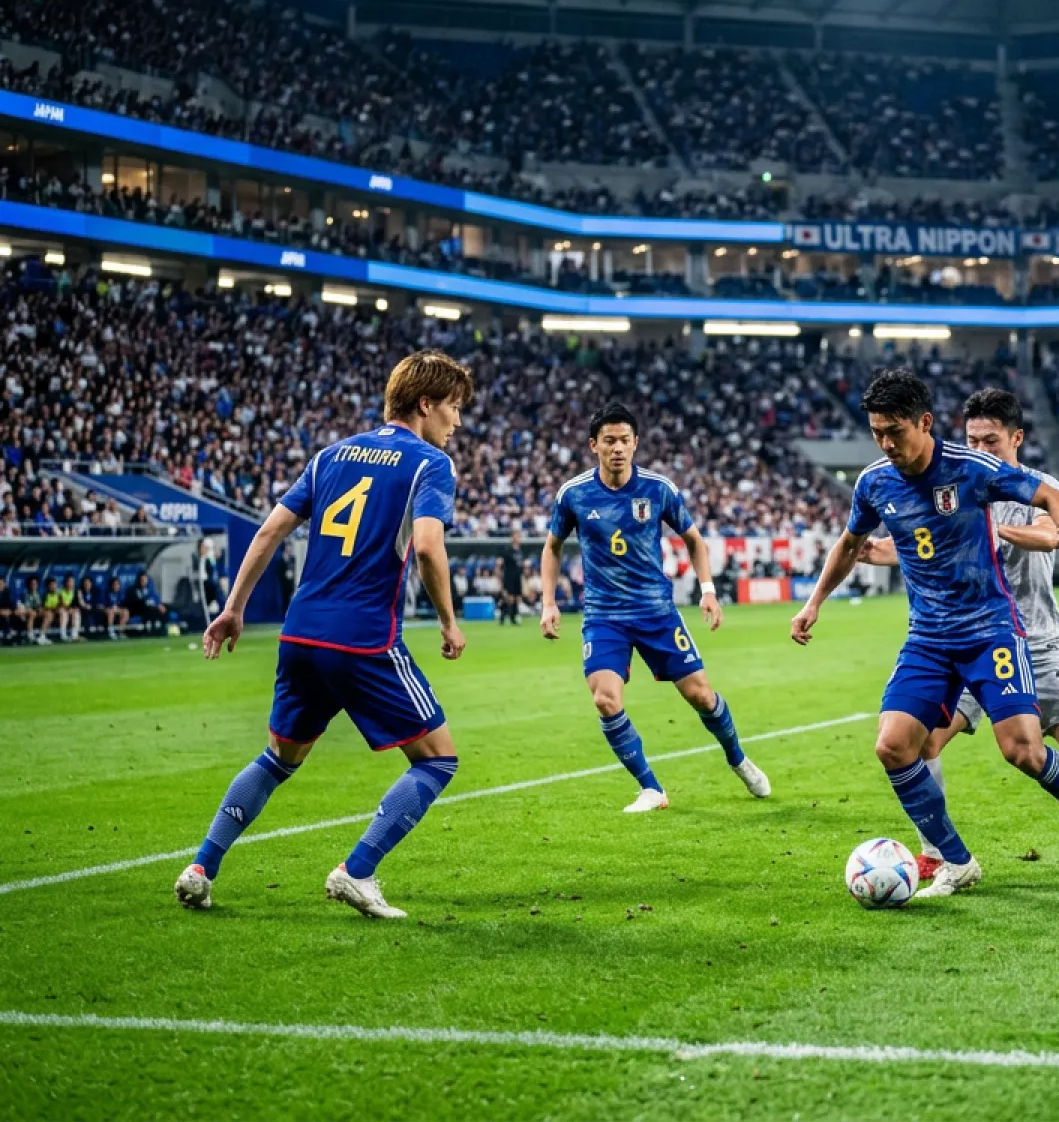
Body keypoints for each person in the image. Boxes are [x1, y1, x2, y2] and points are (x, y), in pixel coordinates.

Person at [792, 368, 1059, 899]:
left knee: (1023, 753)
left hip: (991, 629)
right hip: (928, 637)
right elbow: (851, 543)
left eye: (894, 431)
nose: (885, 443)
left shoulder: (972, 468)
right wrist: (814, 603)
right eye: (876, 431)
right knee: (894, 746)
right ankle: (957, 860)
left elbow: (1049, 498)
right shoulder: (874, 482)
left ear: (924, 423)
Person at [173, 350, 475, 920]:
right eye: (454, 409)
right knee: (437, 761)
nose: (456, 424)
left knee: (278, 759)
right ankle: (356, 872)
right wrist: (449, 622)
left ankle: (201, 867)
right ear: (426, 404)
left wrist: (234, 608)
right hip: (365, 638)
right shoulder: (430, 464)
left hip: (302, 633)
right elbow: (431, 546)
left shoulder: (330, 455)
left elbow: (269, 530)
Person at [858, 387, 1059, 883]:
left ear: (1017, 438)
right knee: (918, 744)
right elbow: (931, 549)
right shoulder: (954, 477)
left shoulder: (1028, 484)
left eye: (991, 441)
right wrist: (888, 548)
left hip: (1036, 644)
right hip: (966, 642)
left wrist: (990, 526)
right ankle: (937, 853)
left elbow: (1051, 530)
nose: (981, 450)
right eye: (972, 440)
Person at [540, 402, 770, 813]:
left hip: (657, 613)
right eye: (608, 441)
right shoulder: (574, 494)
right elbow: (552, 548)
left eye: (624, 440)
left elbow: (695, 540)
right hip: (604, 617)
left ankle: (737, 758)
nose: (617, 448)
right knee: (605, 700)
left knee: (701, 696)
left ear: (636, 444)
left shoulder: (658, 489)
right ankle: (650, 787)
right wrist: (549, 602)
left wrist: (708, 590)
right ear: (594, 445)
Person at [499, 526, 526, 626]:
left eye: (518, 536)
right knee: (508, 597)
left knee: (516, 597)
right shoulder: (508, 550)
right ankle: (503, 615)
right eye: (515, 536)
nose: (517, 538)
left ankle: (513, 617)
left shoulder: (520, 551)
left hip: (517, 576)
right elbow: (500, 563)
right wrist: (501, 577)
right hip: (509, 576)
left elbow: (521, 564)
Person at [19, 575, 49, 646]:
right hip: (25, 614)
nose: (34, 586)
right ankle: (30, 636)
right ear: (29, 585)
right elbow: (26, 607)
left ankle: (42, 636)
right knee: (32, 613)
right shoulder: (25, 593)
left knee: (48, 614)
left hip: (35, 613)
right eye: (32, 584)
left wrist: (40, 609)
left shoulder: (38, 594)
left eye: (35, 584)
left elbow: (39, 606)